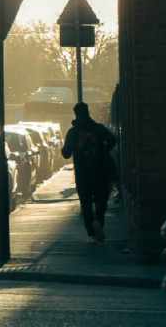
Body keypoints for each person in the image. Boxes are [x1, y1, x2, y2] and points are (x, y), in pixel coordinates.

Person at [61, 101, 116, 243]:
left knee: (86, 204)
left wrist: (72, 149)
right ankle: (99, 224)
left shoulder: (73, 132)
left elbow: (66, 153)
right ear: (88, 112)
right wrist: (103, 151)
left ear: (76, 114)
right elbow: (112, 139)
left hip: (82, 173)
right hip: (100, 171)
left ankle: (91, 232)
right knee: (100, 202)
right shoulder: (98, 128)